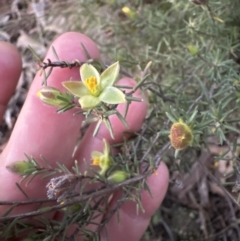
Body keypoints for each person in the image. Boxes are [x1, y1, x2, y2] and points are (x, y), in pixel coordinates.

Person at [0, 32, 169, 241]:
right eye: (90, 85)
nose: (92, 84)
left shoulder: (101, 89)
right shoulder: (85, 94)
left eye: (92, 84)